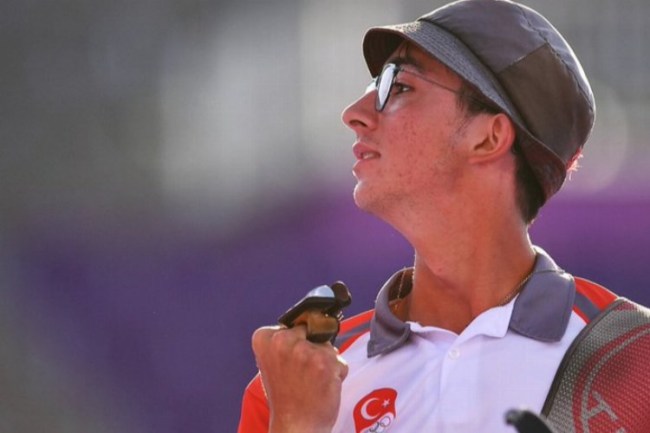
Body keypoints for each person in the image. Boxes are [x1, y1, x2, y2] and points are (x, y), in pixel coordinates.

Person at [237, 1, 650, 432]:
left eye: (398, 87)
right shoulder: (296, 382)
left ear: (489, 137)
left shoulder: (640, 360)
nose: (354, 113)